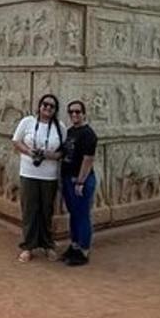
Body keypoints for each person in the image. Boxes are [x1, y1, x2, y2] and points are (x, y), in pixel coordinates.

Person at [11, 94, 65, 263]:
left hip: (49, 174)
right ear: (39, 106)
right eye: (45, 104)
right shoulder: (27, 122)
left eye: (52, 106)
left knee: (47, 210)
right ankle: (28, 246)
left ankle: (48, 244)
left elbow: (63, 151)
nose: (48, 108)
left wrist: (50, 155)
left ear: (55, 110)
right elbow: (16, 141)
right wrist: (29, 152)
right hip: (29, 172)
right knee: (29, 209)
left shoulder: (60, 126)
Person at [59, 100, 98, 267]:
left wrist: (80, 181)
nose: (74, 115)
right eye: (71, 112)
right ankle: (74, 245)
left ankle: (84, 250)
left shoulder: (88, 134)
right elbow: (62, 153)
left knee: (82, 214)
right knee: (73, 213)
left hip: (80, 180)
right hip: (68, 178)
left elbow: (88, 159)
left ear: (84, 113)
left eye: (77, 112)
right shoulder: (69, 132)